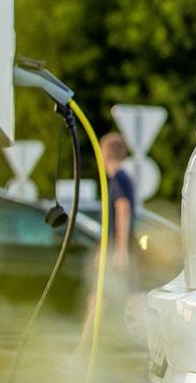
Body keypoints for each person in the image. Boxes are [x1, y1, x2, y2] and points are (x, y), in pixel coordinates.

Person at [74, 131, 139, 354]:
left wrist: (119, 251)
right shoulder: (123, 177)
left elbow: (122, 210)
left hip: (115, 250)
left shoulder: (118, 177)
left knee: (101, 298)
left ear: (105, 152)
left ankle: (82, 351)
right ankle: (91, 348)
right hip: (112, 248)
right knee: (104, 298)